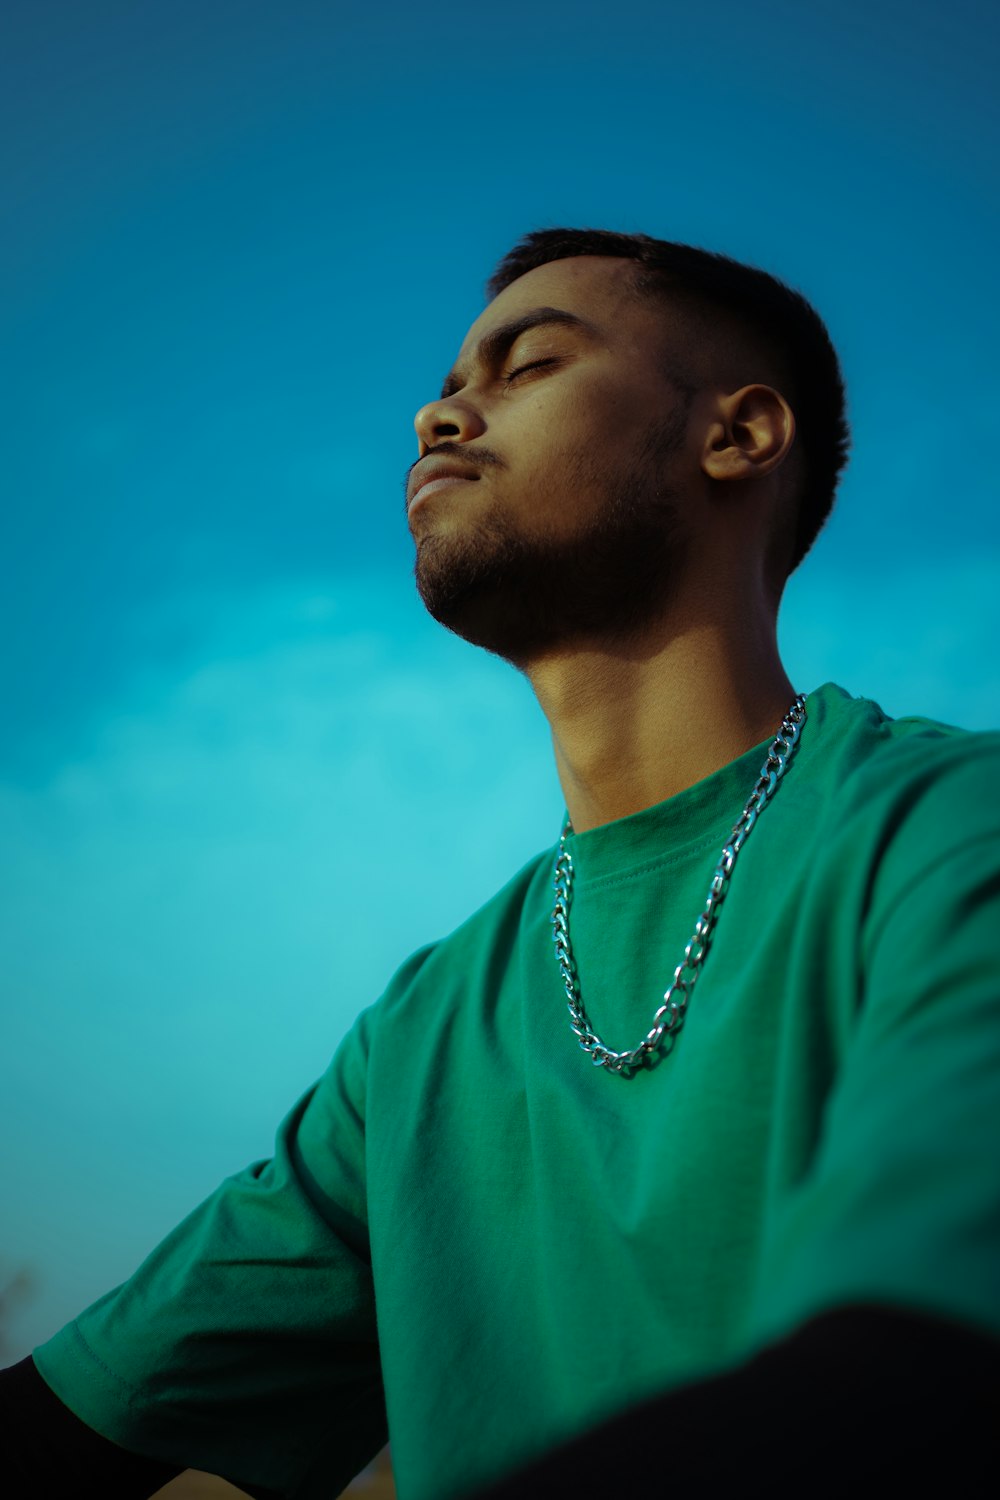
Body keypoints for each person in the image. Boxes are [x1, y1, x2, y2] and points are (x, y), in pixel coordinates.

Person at [4, 228, 999, 1499]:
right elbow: (72, 1426)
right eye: (447, 383)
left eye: (526, 365)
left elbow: (922, 1376)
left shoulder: (947, 831)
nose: (439, 412)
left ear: (738, 435)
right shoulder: (418, 1037)